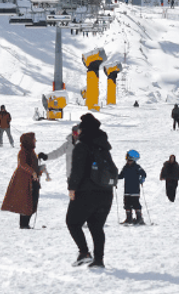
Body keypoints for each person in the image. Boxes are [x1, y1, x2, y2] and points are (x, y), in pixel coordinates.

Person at [66, 114, 115, 268]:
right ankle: (99, 260)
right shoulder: (104, 147)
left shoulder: (82, 146)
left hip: (87, 193)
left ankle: (84, 252)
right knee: (96, 227)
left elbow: (77, 170)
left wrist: (72, 188)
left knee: (72, 222)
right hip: (106, 193)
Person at [1, 132, 43, 230]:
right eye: (34, 139)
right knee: (26, 202)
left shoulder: (31, 151)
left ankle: (25, 224)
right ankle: (24, 225)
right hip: (24, 181)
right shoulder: (23, 152)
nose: (35, 141)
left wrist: (39, 170)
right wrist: (33, 172)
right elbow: (23, 164)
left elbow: (32, 165)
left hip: (32, 180)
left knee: (32, 201)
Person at [118, 149, 147, 225]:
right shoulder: (125, 167)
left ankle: (139, 218)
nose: (128, 161)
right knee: (127, 203)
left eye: (129, 159)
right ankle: (129, 218)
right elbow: (121, 176)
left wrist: (142, 179)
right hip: (127, 189)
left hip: (135, 189)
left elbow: (144, 174)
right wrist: (114, 177)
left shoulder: (137, 167)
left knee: (135, 203)